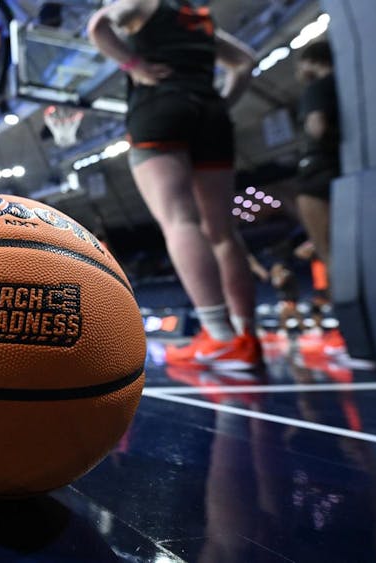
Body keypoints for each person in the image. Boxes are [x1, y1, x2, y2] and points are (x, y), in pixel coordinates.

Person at [88, 0, 261, 368]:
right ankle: (247, 337)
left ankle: (218, 335)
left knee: (180, 220)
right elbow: (245, 60)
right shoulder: (199, 18)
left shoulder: (140, 3)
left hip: (161, 108)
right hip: (210, 112)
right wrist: (223, 101)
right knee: (224, 232)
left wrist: (134, 66)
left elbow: (98, 26)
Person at [294, 41, 339, 268]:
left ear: (311, 62)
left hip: (319, 171)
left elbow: (317, 127)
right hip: (344, 167)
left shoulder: (318, 87)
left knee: (329, 255)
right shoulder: (345, 83)